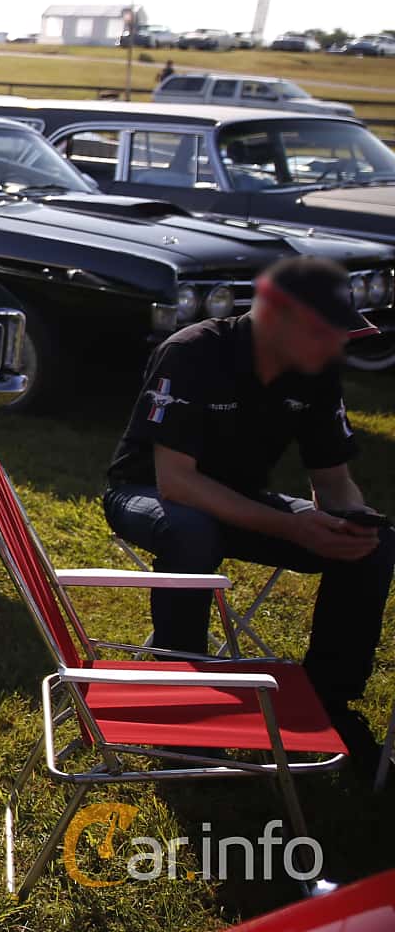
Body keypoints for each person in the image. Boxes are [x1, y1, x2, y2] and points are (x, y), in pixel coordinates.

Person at [103, 255, 394, 761]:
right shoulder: (192, 352)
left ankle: (330, 701)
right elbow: (177, 483)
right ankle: (179, 696)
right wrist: (295, 527)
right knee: (192, 532)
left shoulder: (315, 369)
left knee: (372, 545)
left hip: (238, 498)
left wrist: (351, 523)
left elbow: (334, 482)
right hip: (147, 493)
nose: (336, 345)